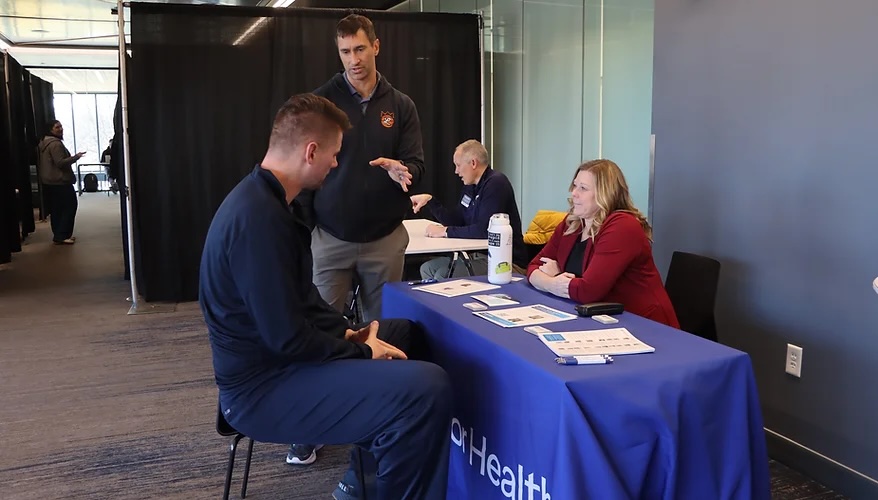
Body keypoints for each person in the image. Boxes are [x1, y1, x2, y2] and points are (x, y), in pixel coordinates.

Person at [199, 94, 451, 500]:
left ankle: (361, 484)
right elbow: (288, 339)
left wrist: (353, 334)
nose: (337, 164)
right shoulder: (258, 221)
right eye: (334, 155)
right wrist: (362, 353)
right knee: (427, 388)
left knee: (402, 334)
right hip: (262, 391)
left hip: (280, 365)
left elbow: (306, 304)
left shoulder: (269, 204)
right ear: (311, 151)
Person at [299, 13, 425, 323]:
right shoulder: (321, 103)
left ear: (376, 47)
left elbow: (417, 167)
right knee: (323, 330)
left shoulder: (401, 105)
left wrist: (403, 171)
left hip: (385, 240)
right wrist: (304, 229)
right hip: (331, 238)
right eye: (345, 52)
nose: (353, 59)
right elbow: (303, 169)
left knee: (382, 332)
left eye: (360, 49)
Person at [527, 159, 680, 328]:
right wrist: (552, 284)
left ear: (605, 194)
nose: (574, 193)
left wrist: (555, 277)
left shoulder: (622, 226)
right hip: (600, 321)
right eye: (575, 186)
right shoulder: (572, 223)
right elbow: (533, 266)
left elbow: (588, 291)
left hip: (643, 325)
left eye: (583, 188)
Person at [410, 139, 527, 279]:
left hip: (504, 261)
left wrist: (445, 231)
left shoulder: (496, 184)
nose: (456, 171)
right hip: (478, 255)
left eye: (458, 165)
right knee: (427, 268)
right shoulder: (470, 186)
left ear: (473, 163)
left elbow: (484, 230)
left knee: (443, 275)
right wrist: (430, 201)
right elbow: (458, 220)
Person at [37, 120, 84, 245]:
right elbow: (60, 162)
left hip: (50, 182)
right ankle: (63, 234)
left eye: (61, 126)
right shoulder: (55, 144)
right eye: (57, 127)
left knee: (57, 209)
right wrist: (76, 157)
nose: (60, 129)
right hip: (60, 181)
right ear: (51, 130)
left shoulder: (43, 143)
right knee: (69, 206)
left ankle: (58, 234)